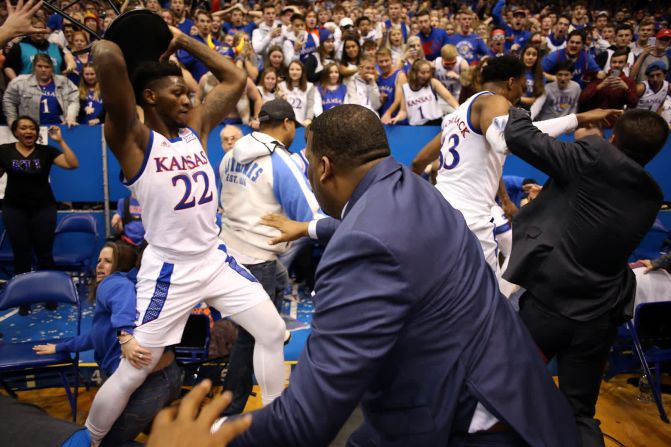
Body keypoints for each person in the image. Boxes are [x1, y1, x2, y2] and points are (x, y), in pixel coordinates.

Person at [221, 104, 579, 447]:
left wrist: (213, 435)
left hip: (476, 424)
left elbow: (305, 419)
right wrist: (309, 228)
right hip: (519, 394)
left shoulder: (361, 247)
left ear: (324, 168)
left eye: (310, 162)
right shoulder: (412, 187)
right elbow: (370, 226)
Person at [88, 25, 286, 445]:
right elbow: (105, 55)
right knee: (136, 368)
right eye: (177, 92)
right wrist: (129, 41)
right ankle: (90, 437)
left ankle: (275, 424)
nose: (188, 97)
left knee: (271, 331)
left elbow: (233, 78)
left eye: (188, 91)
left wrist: (180, 39)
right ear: (149, 96)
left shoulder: (195, 129)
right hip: (170, 271)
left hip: (213, 259)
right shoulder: (132, 141)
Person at [503, 108, 669, 447]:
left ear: (613, 137)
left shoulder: (594, 156)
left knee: (506, 388)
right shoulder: (651, 196)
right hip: (599, 315)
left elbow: (519, 136)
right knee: (579, 413)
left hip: (549, 307)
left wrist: (518, 110)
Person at [410, 55, 617, 275]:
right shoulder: (495, 101)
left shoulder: (459, 114)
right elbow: (508, 141)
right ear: (511, 82)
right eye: (522, 85)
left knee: (441, 289)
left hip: (439, 211)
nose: (523, 92)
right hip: (470, 218)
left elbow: (418, 161)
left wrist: (579, 118)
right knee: (486, 297)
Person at [219, 99, 322, 416]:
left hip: (229, 255)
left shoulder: (230, 154)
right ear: (288, 124)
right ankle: (257, 410)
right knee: (261, 338)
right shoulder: (280, 160)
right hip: (258, 259)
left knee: (253, 332)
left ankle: (233, 406)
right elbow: (312, 216)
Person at [34, 242, 181, 446]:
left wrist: (125, 336)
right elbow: (96, 336)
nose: (100, 265)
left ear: (121, 265)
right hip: (163, 375)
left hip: (149, 382)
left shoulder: (114, 283)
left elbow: (123, 304)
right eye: (99, 260)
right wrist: (60, 347)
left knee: (103, 442)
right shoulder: (131, 285)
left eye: (108, 261)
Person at [0, 117, 78, 315]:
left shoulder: (46, 151)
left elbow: (72, 164)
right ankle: (24, 298)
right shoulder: (4, 151)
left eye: (32, 128)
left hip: (43, 208)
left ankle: (49, 295)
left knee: (45, 253)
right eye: (23, 128)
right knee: (21, 254)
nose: (28, 131)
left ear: (37, 132)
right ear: (16, 132)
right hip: (14, 209)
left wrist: (59, 140)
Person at [3, 53, 79, 126]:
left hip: (59, 127)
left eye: (47, 67)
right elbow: (9, 101)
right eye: (39, 66)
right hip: (31, 129)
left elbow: (74, 100)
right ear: (33, 67)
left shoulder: (64, 82)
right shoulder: (19, 82)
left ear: (52, 68)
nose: (43, 69)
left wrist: (70, 118)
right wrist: (13, 122)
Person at [392, 59, 458, 125]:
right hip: (416, 127)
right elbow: (403, 111)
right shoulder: (405, 88)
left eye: (428, 72)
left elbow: (449, 98)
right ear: (415, 73)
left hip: (435, 123)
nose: (426, 75)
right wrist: (397, 118)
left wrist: (458, 109)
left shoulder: (433, 83)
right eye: (423, 73)